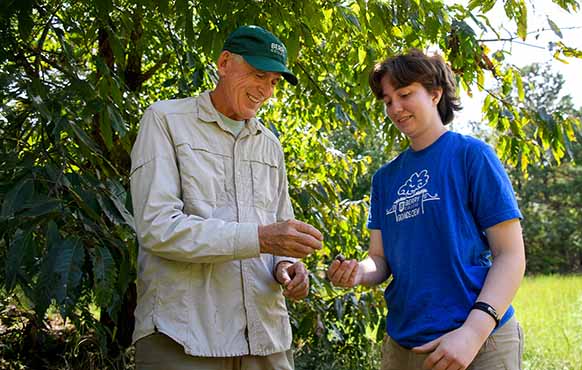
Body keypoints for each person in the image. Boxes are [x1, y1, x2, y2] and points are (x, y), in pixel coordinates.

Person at [129, 25, 323, 370]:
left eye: (274, 82)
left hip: (265, 338)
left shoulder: (269, 144)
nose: (265, 90)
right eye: (257, 74)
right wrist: (261, 238)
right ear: (223, 63)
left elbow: (280, 235)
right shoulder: (165, 121)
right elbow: (157, 227)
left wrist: (289, 267)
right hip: (184, 337)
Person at [328, 49, 526, 370]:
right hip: (405, 345)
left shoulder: (472, 156)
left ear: (435, 94)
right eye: (388, 100)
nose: (395, 108)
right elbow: (379, 260)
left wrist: (472, 334)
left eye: (405, 94)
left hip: (478, 341)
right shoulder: (385, 179)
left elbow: (511, 255)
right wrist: (356, 273)